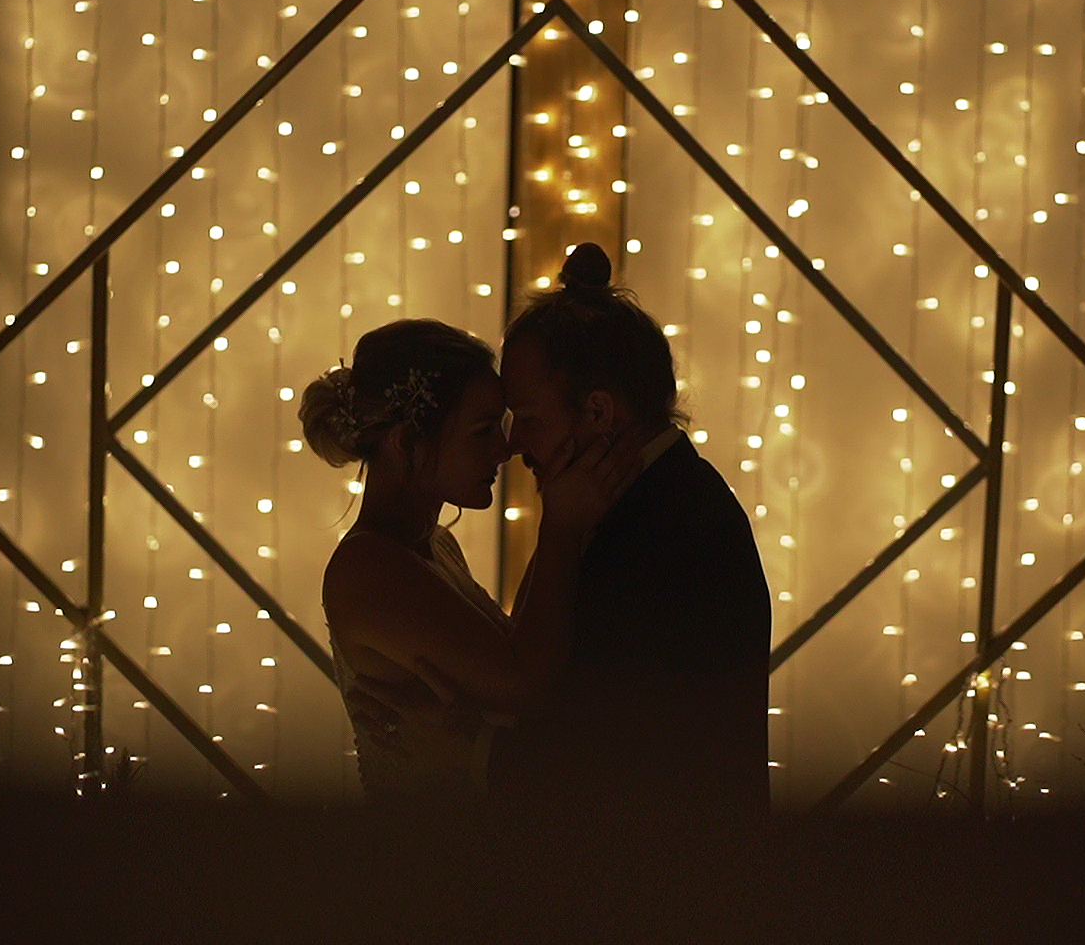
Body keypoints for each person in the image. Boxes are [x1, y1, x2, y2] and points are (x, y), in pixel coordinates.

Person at [350, 244, 772, 820]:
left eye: (528, 418)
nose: (513, 445)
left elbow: (638, 765)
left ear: (597, 413)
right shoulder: (635, 506)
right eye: (493, 426)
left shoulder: (671, 531)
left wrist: (467, 749)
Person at [302, 318, 639, 806]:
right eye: (483, 430)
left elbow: (518, 646)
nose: (504, 450)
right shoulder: (368, 567)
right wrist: (561, 527)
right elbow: (524, 681)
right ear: (404, 442)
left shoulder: (436, 545)